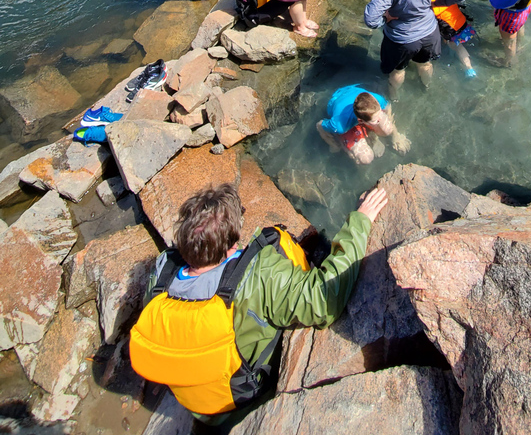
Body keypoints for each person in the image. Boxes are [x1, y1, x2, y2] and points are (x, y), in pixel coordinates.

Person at [131, 183, 388, 427]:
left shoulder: (161, 276)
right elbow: (324, 300)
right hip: (241, 396)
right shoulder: (257, 277)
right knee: (277, 242)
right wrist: (359, 221)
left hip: (198, 404)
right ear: (232, 246)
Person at [316, 84, 411, 164]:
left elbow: (387, 108)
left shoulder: (378, 101)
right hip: (337, 98)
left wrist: (395, 135)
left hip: (354, 90)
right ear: (360, 121)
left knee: (386, 128)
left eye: (380, 113)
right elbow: (319, 125)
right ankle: (371, 138)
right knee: (347, 148)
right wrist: (332, 143)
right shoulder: (339, 125)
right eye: (376, 120)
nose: (380, 119)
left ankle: (372, 133)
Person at [432, 0, 478, 78]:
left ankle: (469, 68)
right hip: (462, 23)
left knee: (457, 46)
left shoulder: (430, 5)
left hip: (452, 30)